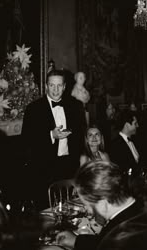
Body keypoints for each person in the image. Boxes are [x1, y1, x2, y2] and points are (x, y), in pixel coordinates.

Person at [55, 161, 147, 250]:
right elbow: (107, 237)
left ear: (103, 203)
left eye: (88, 205)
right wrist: (77, 241)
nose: (89, 212)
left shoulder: (118, 242)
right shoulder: (146, 206)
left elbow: (112, 241)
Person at [21, 69, 87, 210]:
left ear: (64, 87)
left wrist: (81, 157)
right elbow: (26, 140)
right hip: (44, 168)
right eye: (51, 85)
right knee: (47, 210)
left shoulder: (76, 106)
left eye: (59, 86)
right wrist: (51, 135)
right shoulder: (33, 109)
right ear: (46, 86)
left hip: (69, 165)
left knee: (71, 208)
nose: (55, 90)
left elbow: (81, 135)